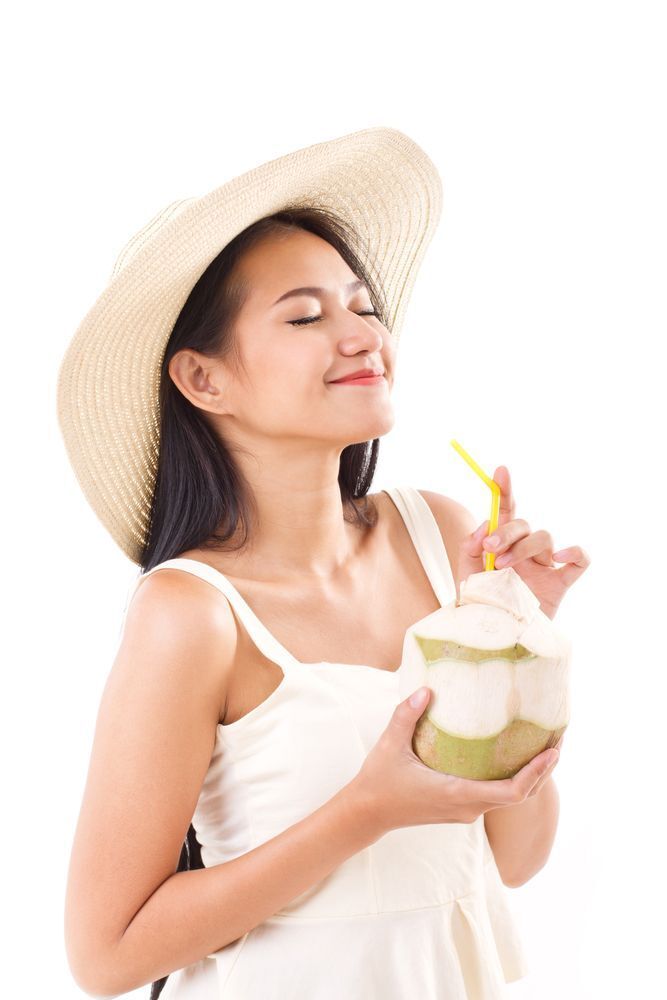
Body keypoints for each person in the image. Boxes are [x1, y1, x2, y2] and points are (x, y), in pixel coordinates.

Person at [58, 127, 561, 999]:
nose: (363, 335)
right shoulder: (191, 611)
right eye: (304, 315)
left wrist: (515, 631)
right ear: (203, 380)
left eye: (363, 306)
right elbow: (106, 957)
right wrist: (366, 810)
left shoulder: (440, 536)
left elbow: (517, 857)